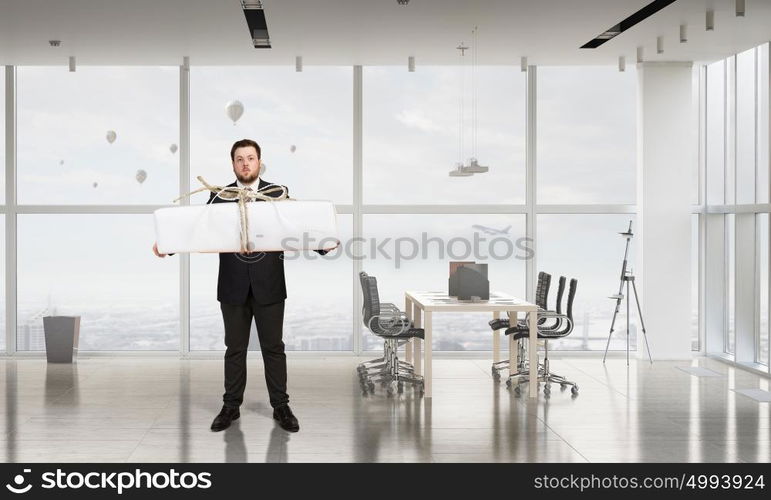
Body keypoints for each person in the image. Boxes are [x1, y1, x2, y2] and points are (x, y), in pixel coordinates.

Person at [153, 139, 334, 433]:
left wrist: (324, 246)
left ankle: (281, 407)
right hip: (233, 285)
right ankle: (230, 407)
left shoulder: (278, 193)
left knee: (273, 348)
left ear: (259, 162)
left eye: (251, 158)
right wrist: (167, 245)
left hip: (270, 285)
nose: (246, 164)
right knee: (234, 348)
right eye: (240, 159)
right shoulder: (220, 197)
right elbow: (198, 230)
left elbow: (299, 225)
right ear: (233, 164)